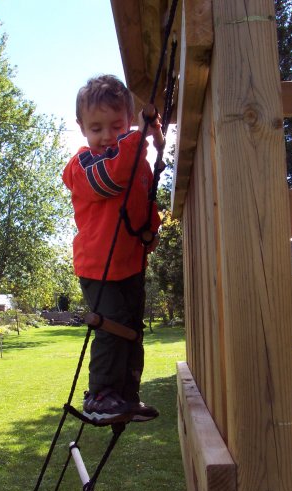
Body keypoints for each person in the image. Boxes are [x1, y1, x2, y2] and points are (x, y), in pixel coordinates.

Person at [63, 74, 162, 425]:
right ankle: (99, 395)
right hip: (97, 266)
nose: (106, 136)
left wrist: (152, 228)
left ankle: (125, 397)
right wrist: (137, 136)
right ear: (82, 128)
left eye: (116, 125)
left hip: (129, 263)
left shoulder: (139, 164)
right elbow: (112, 179)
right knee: (112, 327)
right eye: (96, 128)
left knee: (133, 330)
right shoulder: (83, 165)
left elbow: (144, 201)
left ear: (127, 121)